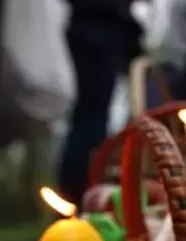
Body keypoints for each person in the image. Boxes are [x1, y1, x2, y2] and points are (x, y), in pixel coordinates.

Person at [57, 0, 147, 206]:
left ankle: (77, 195)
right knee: (91, 119)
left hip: (93, 24)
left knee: (89, 117)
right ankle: (79, 196)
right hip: (100, 26)